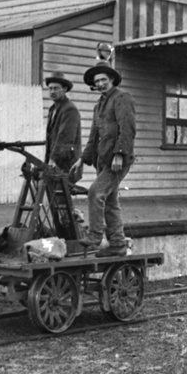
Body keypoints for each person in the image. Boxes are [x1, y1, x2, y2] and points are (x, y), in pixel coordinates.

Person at [71, 60, 135, 257]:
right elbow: (93, 135)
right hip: (103, 159)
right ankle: (117, 243)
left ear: (112, 80)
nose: (99, 84)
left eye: (103, 80)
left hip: (116, 160)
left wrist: (119, 154)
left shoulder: (122, 98)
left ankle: (95, 235)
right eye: (96, 81)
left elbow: (127, 128)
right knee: (110, 201)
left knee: (95, 193)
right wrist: (82, 158)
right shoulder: (99, 104)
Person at [44, 71, 81, 175]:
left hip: (66, 164)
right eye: (50, 88)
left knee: (62, 191)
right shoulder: (52, 109)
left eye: (56, 88)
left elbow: (65, 138)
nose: (52, 91)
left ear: (64, 89)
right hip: (54, 162)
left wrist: (53, 159)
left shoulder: (69, 109)